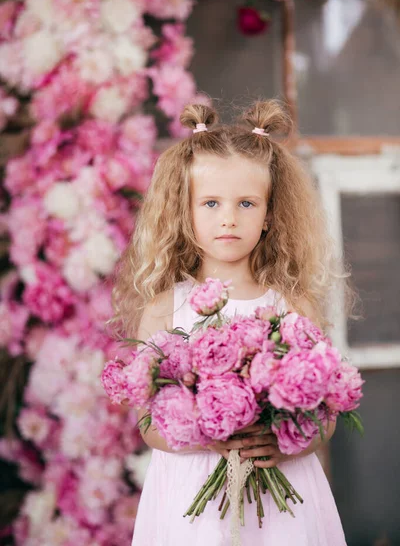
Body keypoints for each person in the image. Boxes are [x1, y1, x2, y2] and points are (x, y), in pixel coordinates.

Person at [111, 100, 350, 545]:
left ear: (269, 215)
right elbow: (147, 424)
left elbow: (327, 416)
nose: (228, 218)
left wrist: (288, 442)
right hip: (190, 498)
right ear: (185, 212)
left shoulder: (292, 307)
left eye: (246, 203)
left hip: (283, 493)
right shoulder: (166, 308)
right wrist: (205, 435)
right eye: (210, 202)